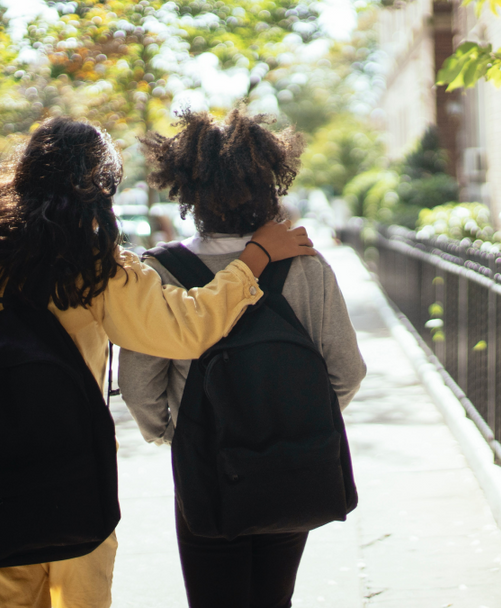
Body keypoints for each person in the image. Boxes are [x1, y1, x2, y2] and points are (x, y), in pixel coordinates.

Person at [0, 116, 316, 608]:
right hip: (71, 483)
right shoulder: (90, 269)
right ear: (98, 185)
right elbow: (188, 327)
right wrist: (257, 257)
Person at [117, 108, 367, 608]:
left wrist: (172, 431)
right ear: (269, 183)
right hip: (292, 461)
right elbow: (347, 370)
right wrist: (301, 420)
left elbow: (140, 384)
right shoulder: (307, 267)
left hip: (206, 464)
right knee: (275, 598)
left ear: (188, 190)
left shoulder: (161, 272)